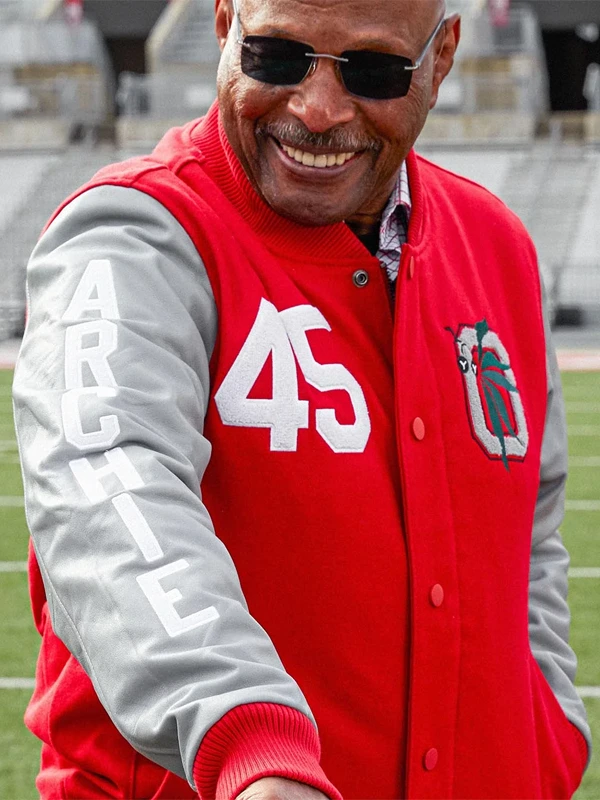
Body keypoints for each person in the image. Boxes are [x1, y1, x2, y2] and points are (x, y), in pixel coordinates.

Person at [12, 0, 592, 797]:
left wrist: (546, 733)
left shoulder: (499, 249)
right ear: (225, 28)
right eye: (277, 56)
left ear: (443, 58)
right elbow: (106, 488)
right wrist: (245, 736)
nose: (317, 110)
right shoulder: (131, 240)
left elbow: (532, 538)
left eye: (375, 71)